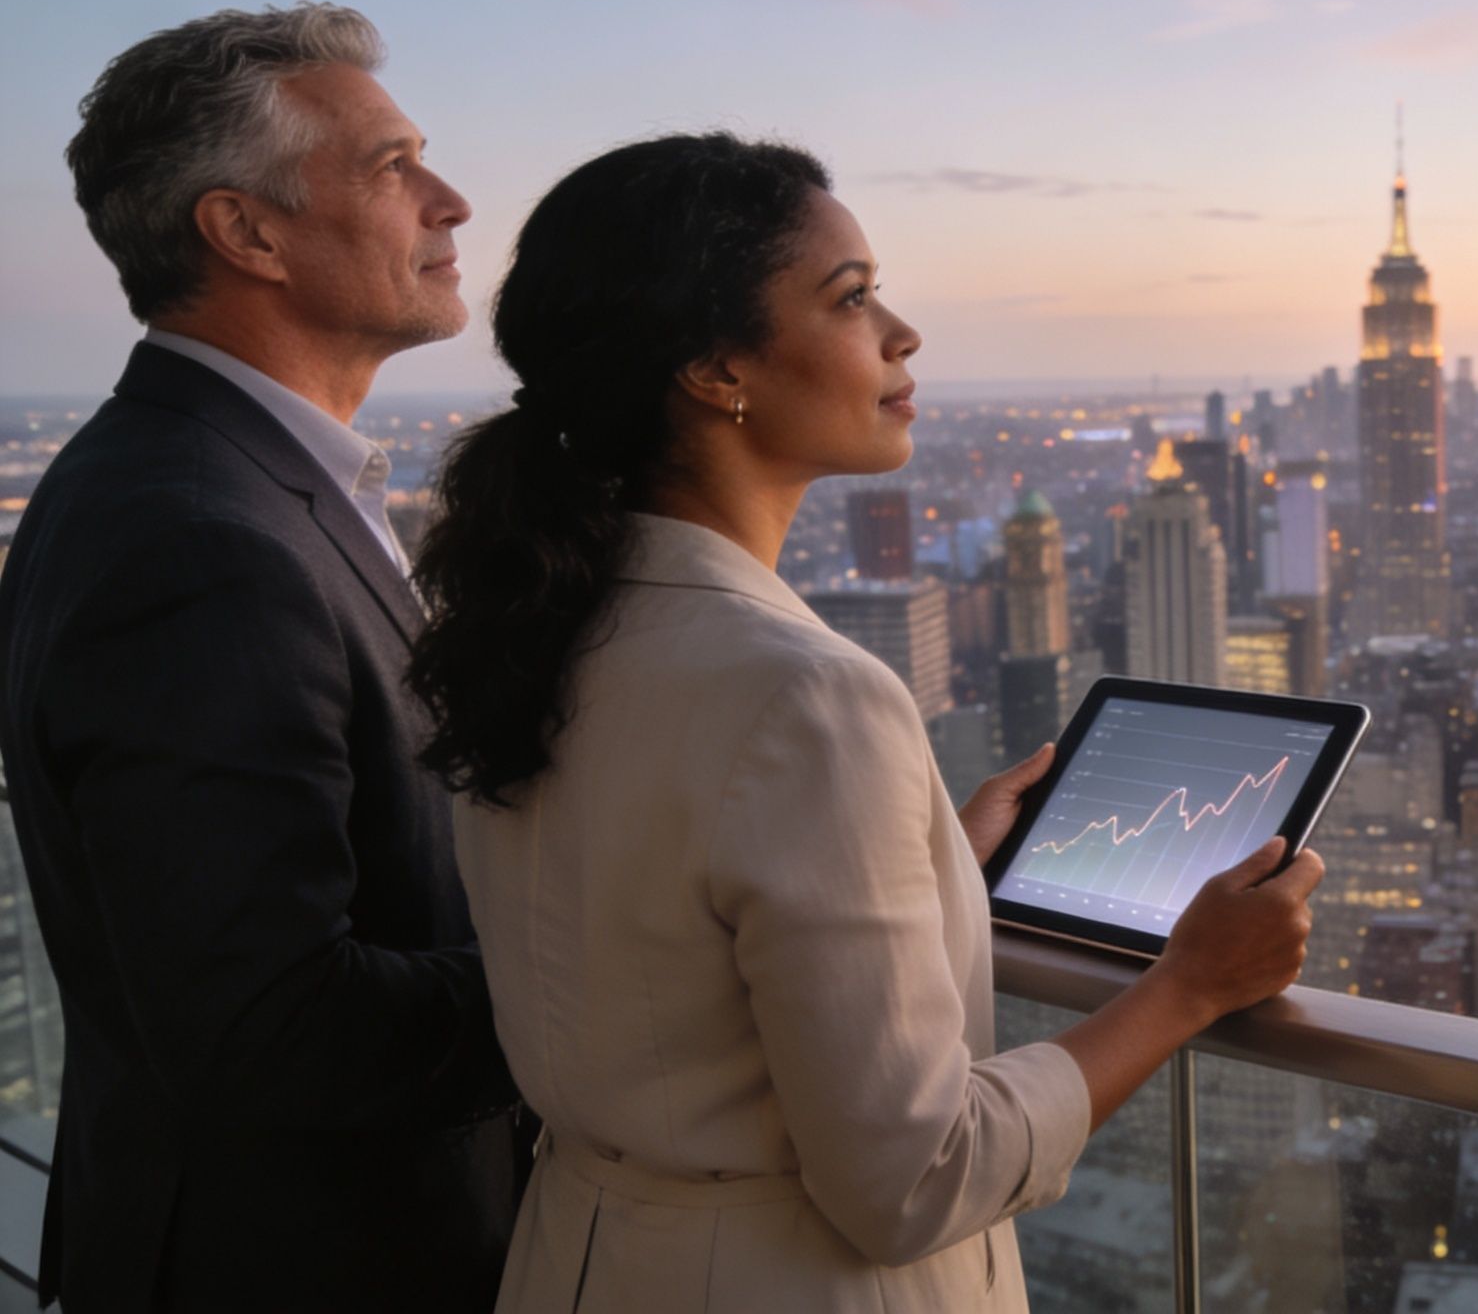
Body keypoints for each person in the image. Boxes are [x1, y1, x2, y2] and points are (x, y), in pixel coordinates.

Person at [405, 130, 1323, 1312]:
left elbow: (669, 935)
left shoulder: (539, 625)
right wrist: (1187, 988)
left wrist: (929, 855)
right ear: (714, 368)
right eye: (850, 298)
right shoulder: (803, 692)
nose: (902, 333)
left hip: (582, 1259)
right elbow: (913, 1178)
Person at [0, 4, 523, 1310]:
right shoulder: (190, 533)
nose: (451, 202)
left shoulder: (225, 482)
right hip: (306, 1266)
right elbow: (268, 1018)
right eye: (395, 165)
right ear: (246, 231)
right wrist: (627, 983)